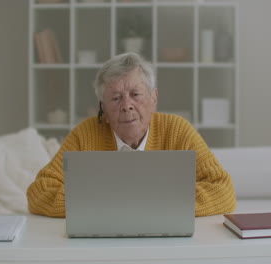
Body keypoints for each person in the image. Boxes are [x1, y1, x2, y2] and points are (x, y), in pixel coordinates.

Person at [27, 53, 236, 217]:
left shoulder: (177, 130)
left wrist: (151, 204)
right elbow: (39, 193)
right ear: (104, 110)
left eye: (135, 95)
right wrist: (113, 203)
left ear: (154, 98)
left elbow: (223, 190)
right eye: (116, 98)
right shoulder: (85, 134)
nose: (127, 106)